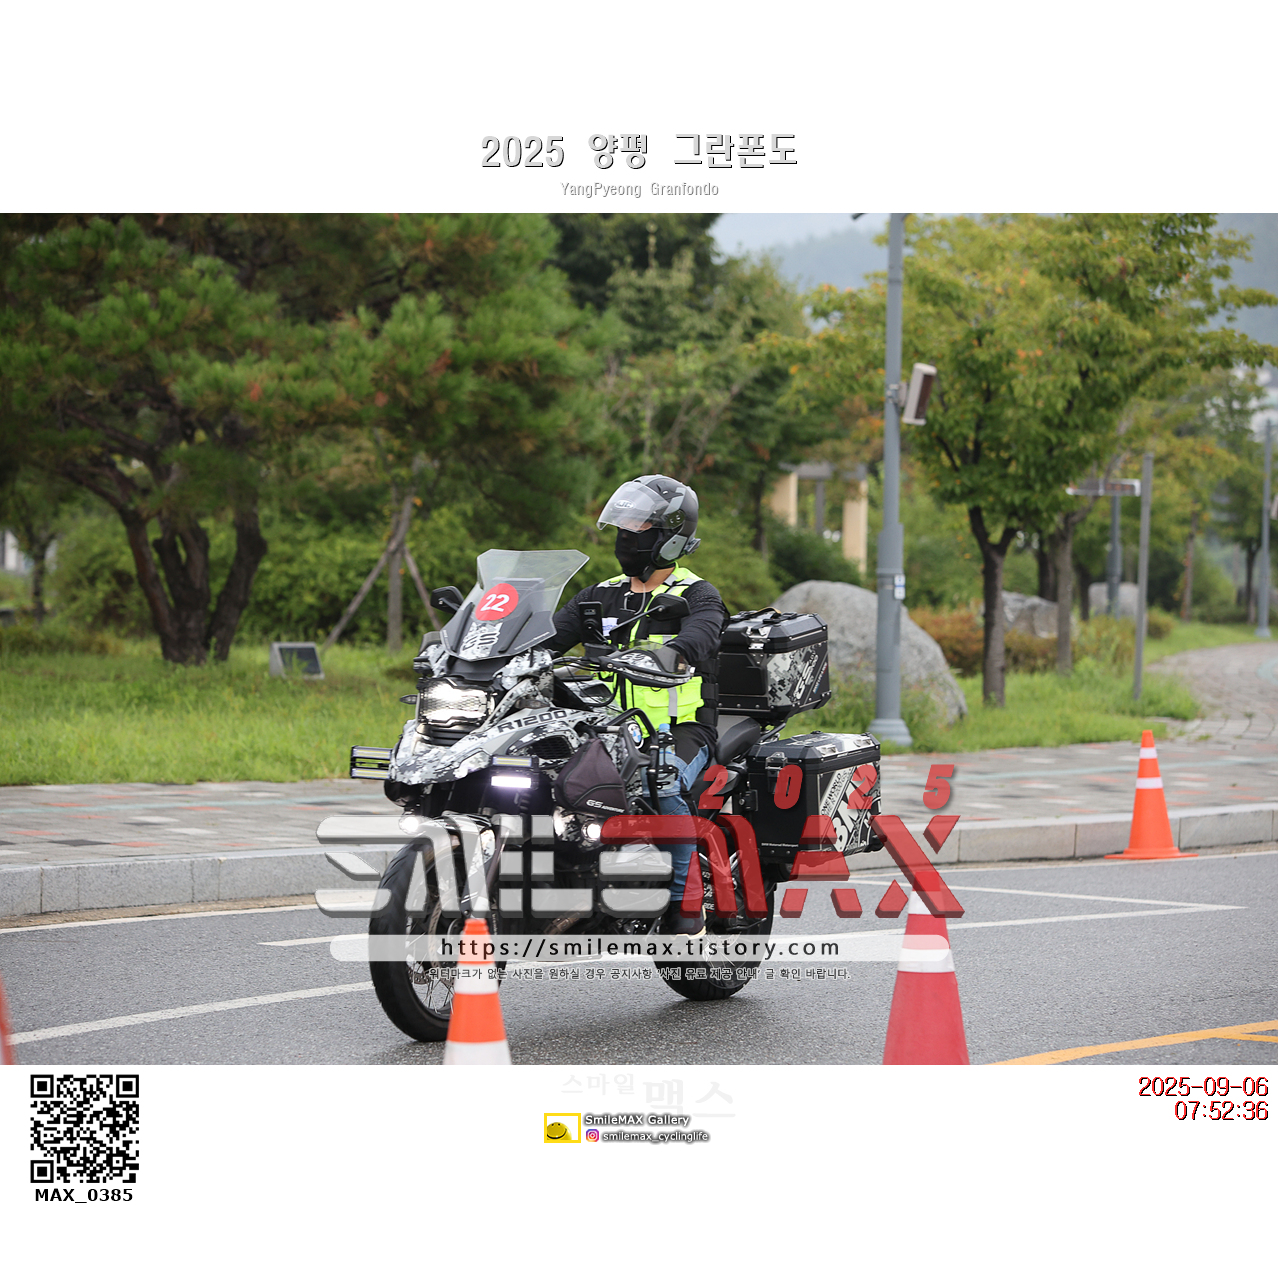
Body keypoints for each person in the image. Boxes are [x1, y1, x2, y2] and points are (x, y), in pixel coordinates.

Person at [548, 474, 727, 935]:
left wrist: (675, 651)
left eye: (639, 526)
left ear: (671, 537)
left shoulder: (696, 594)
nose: (626, 536)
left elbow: (703, 633)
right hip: (608, 730)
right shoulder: (599, 595)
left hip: (680, 729)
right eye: (622, 526)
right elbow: (546, 638)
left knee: (660, 782)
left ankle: (685, 901)